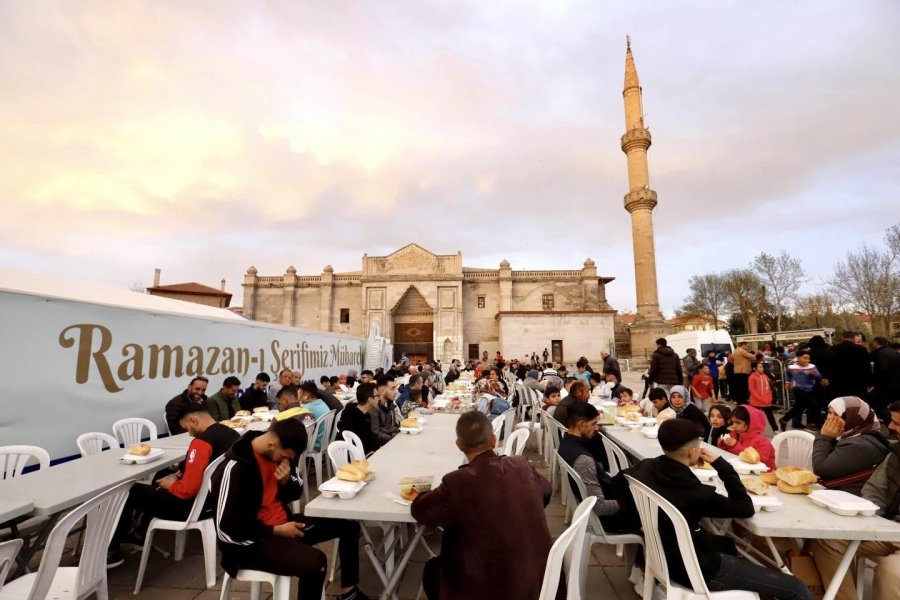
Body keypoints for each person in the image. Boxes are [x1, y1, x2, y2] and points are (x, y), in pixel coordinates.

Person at [626, 419, 812, 600]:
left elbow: (619, 484)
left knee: (727, 545)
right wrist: (722, 465)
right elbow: (745, 507)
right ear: (692, 452)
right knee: (798, 588)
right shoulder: (694, 492)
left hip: (663, 556)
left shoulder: (645, 467)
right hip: (696, 569)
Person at [210, 418, 368, 600]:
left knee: (349, 527)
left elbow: (296, 492)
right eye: (286, 456)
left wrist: (285, 482)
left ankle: (349, 594)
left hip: (283, 522)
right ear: (271, 444)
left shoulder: (280, 454)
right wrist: (276, 530)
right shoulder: (234, 468)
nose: (288, 460)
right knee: (315, 563)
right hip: (249, 544)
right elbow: (226, 529)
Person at [411, 411, 552, 600]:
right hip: (543, 580)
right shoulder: (521, 465)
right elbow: (546, 493)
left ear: (459, 445)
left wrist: (419, 495)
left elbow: (420, 511)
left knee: (432, 570)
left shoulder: (458, 482)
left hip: (491, 588)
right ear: (494, 440)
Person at [108, 404, 239, 567]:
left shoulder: (202, 443)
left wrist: (171, 485)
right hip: (218, 501)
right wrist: (178, 475)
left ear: (194, 420)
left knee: (130, 490)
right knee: (158, 476)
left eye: (188, 429)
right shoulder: (230, 433)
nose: (189, 433)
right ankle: (139, 530)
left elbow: (187, 491)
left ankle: (113, 549)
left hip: (193, 508)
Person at [810, 401, 900, 600]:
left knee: (892, 572)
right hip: (890, 528)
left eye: (897, 424)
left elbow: (822, 468)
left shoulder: (862, 444)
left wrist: (825, 437)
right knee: (827, 538)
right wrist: (868, 522)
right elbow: (875, 490)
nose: (891, 427)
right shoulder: (896, 453)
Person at [560, 401, 632, 533]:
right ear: (581, 424)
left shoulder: (565, 444)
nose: (597, 428)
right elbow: (600, 507)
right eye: (594, 424)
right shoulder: (583, 460)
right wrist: (632, 503)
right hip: (610, 519)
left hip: (607, 493)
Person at [812, 396, 890, 495]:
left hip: (849, 499)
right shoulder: (852, 435)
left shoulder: (859, 445)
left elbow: (820, 469)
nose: (830, 418)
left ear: (853, 418)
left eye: (837, 415)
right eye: (829, 413)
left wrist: (825, 436)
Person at [717, 405, 776, 470]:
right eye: (733, 422)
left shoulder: (762, 442)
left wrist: (736, 446)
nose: (734, 426)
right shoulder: (735, 434)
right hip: (742, 468)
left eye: (738, 423)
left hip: (763, 473)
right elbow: (729, 453)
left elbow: (758, 461)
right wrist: (723, 444)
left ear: (751, 423)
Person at [780, 350, 823, 431]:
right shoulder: (792, 367)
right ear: (798, 358)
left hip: (809, 389)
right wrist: (787, 382)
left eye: (808, 359)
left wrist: (816, 375)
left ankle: (784, 419)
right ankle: (818, 424)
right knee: (814, 405)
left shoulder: (812, 366)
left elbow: (819, 377)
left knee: (799, 407)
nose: (807, 360)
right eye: (805, 358)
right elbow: (787, 374)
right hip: (797, 389)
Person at [337, 382, 381, 454]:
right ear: (370, 399)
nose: (379, 398)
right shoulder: (355, 420)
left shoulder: (364, 414)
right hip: (352, 458)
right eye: (377, 396)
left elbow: (370, 439)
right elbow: (364, 444)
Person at [830, 330, 872, 400]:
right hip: (858, 382)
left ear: (842, 337)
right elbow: (866, 366)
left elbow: (831, 366)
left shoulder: (833, 349)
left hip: (840, 382)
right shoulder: (861, 349)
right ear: (853, 338)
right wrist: (869, 382)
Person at [870, 336, 900, 422]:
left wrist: (875, 382)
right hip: (897, 384)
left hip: (886, 386)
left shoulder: (880, 354)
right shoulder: (895, 352)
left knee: (881, 407)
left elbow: (883, 369)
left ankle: (893, 424)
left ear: (876, 343)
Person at [298, 381, 332, 450]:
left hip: (314, 444)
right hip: (324, 441)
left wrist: (298, 400)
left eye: (300, 393)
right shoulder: (321, 402)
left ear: (306, 395)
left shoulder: (307, 408)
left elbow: (303, 428)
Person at [371, 375, 401, 445]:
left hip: (389, 442)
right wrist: (395, 438)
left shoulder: (389, 404)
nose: (396, 392)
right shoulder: (373, 408)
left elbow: (390, 427)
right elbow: (376, 434)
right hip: (379, 447)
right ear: (382, 391)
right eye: (392, 389)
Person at [748, 361, 778, 432]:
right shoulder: (752, 377)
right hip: (756, 401)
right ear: (754, 368)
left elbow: (769, 388)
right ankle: (753, 430)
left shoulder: (765, 376)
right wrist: (760, 398)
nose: (762, 368)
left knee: (770, 416)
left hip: (766, 401)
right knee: (754, 417)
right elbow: (752, 389)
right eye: (760, 367)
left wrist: (769, 397)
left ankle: (775, 429)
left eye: (762, 367)